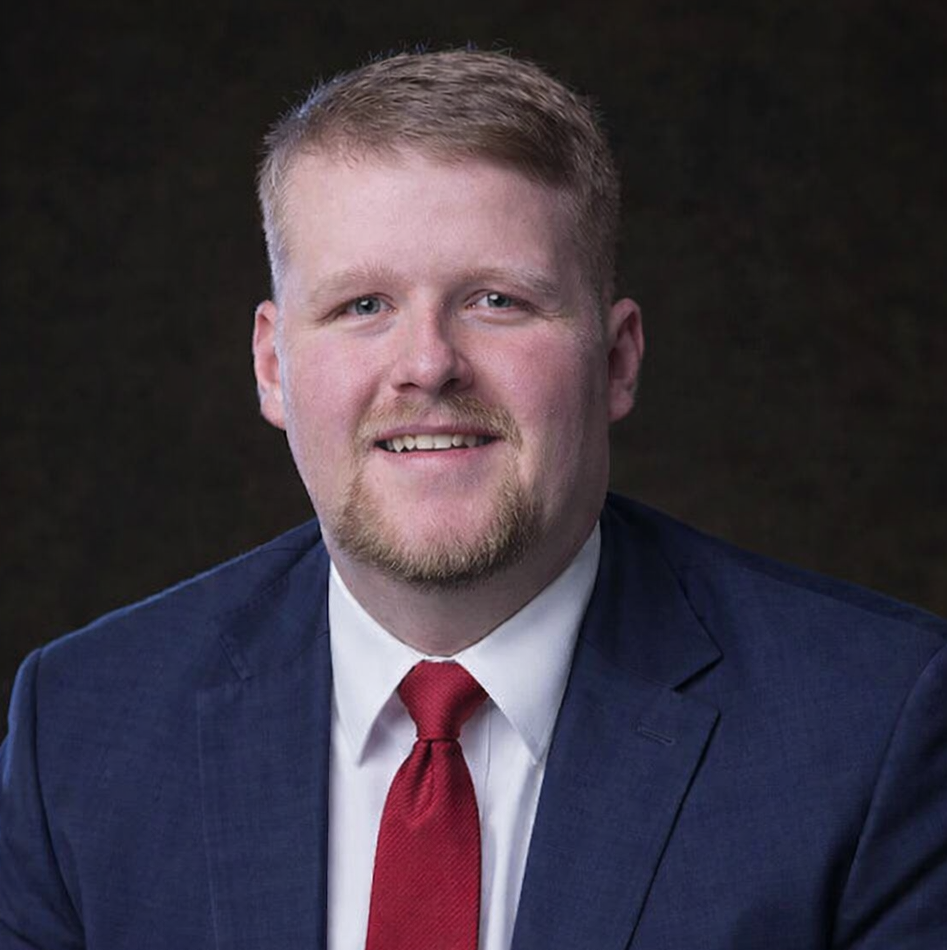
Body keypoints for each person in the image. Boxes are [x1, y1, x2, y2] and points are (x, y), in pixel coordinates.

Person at [1, 48, 945, 950]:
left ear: (616, 361)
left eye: (496, 300)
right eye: (361, 305)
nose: (427, 366)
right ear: (272, 365)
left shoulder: (872, 729)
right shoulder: (82, 729)